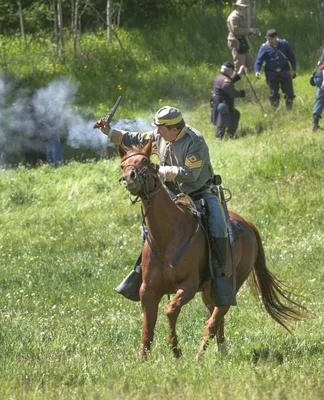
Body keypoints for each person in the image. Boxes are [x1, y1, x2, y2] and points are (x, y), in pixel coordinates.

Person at [94, 106, 236, 307]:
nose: (157, 133)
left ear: (174, 129)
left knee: (218, 223)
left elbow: (190, 175)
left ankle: (218, 275)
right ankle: (142, 271)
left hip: (200, 193)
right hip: (171, 193)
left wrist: (159, 170)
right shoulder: (160, 135)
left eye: (161, 128)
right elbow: (134, 138)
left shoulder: (196, 141)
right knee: (150, 223)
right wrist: (109, 131)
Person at [254, 29, 297, 110]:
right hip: (271, 73)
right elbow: (259, 60)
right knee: (274, 94)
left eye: (271, 39)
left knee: (289, 93)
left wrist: (293, 69)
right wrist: (257, 71)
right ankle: (275, 111)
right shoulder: (264, 47)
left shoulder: (284, 44)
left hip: (285, 71)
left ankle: (289, 110)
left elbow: (291, 57)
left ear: (276, 37)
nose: (269, 40)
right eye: (268, 39)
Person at [211, 61, 249, 139]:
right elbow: (233, 93)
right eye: (232, 71)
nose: (232, 72)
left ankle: (229, 135)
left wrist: (239, 73)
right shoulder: (225, 81)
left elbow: (230, 80)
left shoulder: (219, 77)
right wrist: (243, 92)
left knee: (233, 116)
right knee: (222, 123)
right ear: (228, 71)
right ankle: (225, 137)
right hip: (223, 106)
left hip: (219, 104)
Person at [227, 0, 256, 74]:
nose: (242, 9)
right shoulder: (233, 17)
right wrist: (249, 30)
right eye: (240, 8)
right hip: (235, 41)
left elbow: (246, 26)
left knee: (250, 63)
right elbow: (236, 31)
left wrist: (251, 32)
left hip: (243, 40)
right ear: (236, 7)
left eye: (243, 8)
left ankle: (250, 78)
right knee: (239, 64)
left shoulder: (242, 15)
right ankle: (237, 79)